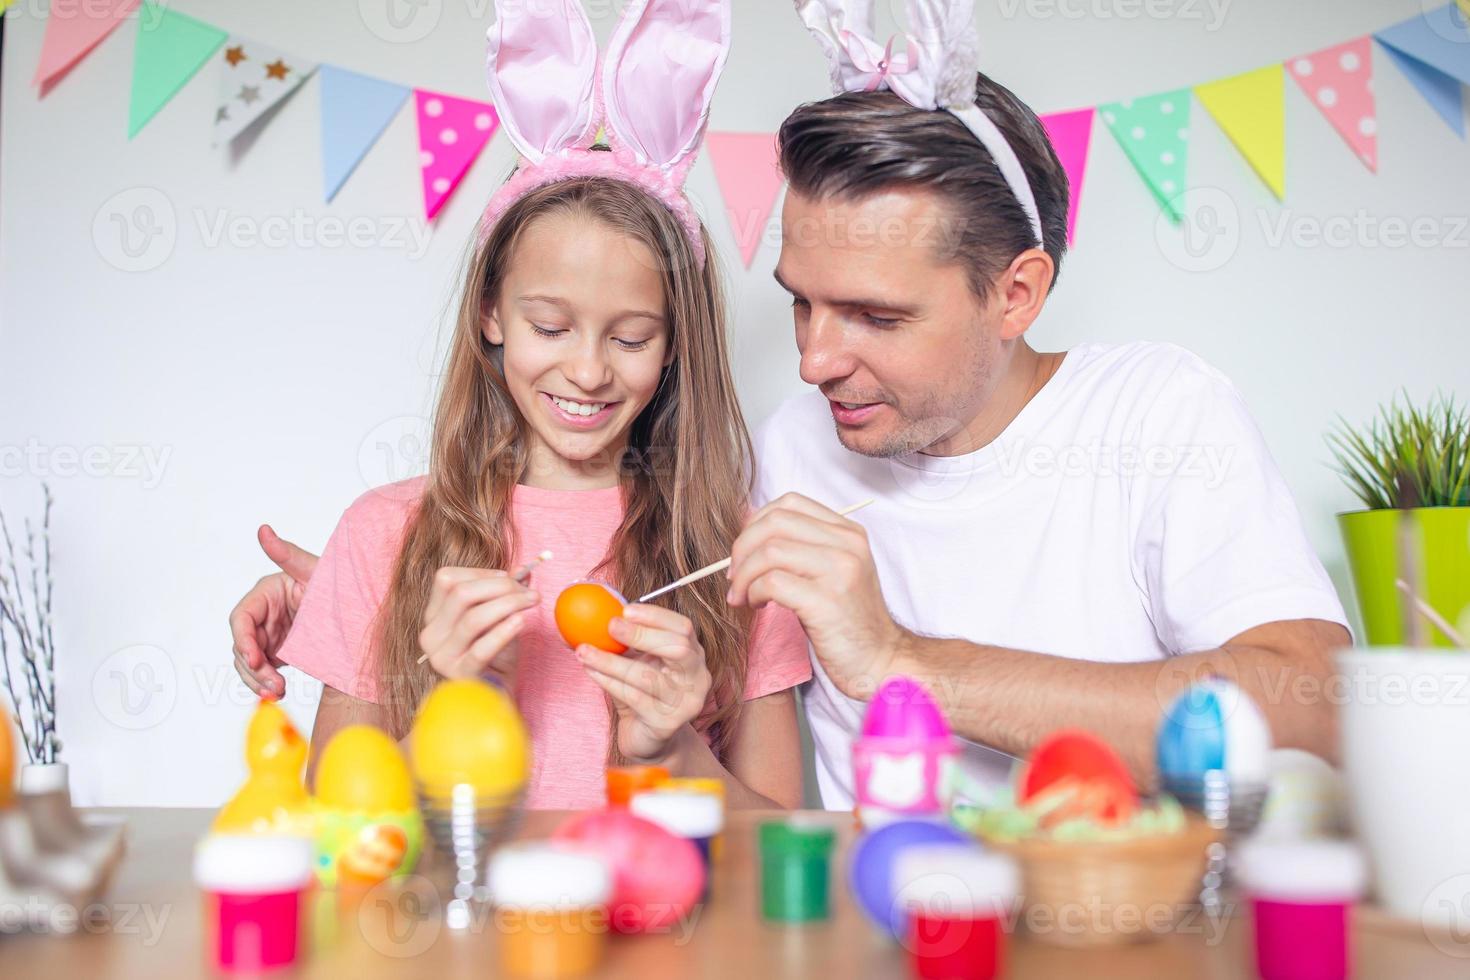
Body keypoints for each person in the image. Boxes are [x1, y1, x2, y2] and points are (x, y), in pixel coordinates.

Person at [234, 1, 1350, 809]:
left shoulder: (1159, 414)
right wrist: (357, 592)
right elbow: (553, 528)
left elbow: (1311, 705)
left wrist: (902, 661)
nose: (813, 360)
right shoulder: (787, 455)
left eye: (872, 314)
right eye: (800, 304)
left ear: (1017, 291)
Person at [243, 0, 810, 810]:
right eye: (550, 326)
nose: (587, 371)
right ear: (491, 315)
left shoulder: (734, 552)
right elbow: (334, 832)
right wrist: (446, 705)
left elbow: (786, 851)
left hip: (665, 936)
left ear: (679, 341)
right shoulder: (381, 535)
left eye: (632, 337)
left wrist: (675, 747)